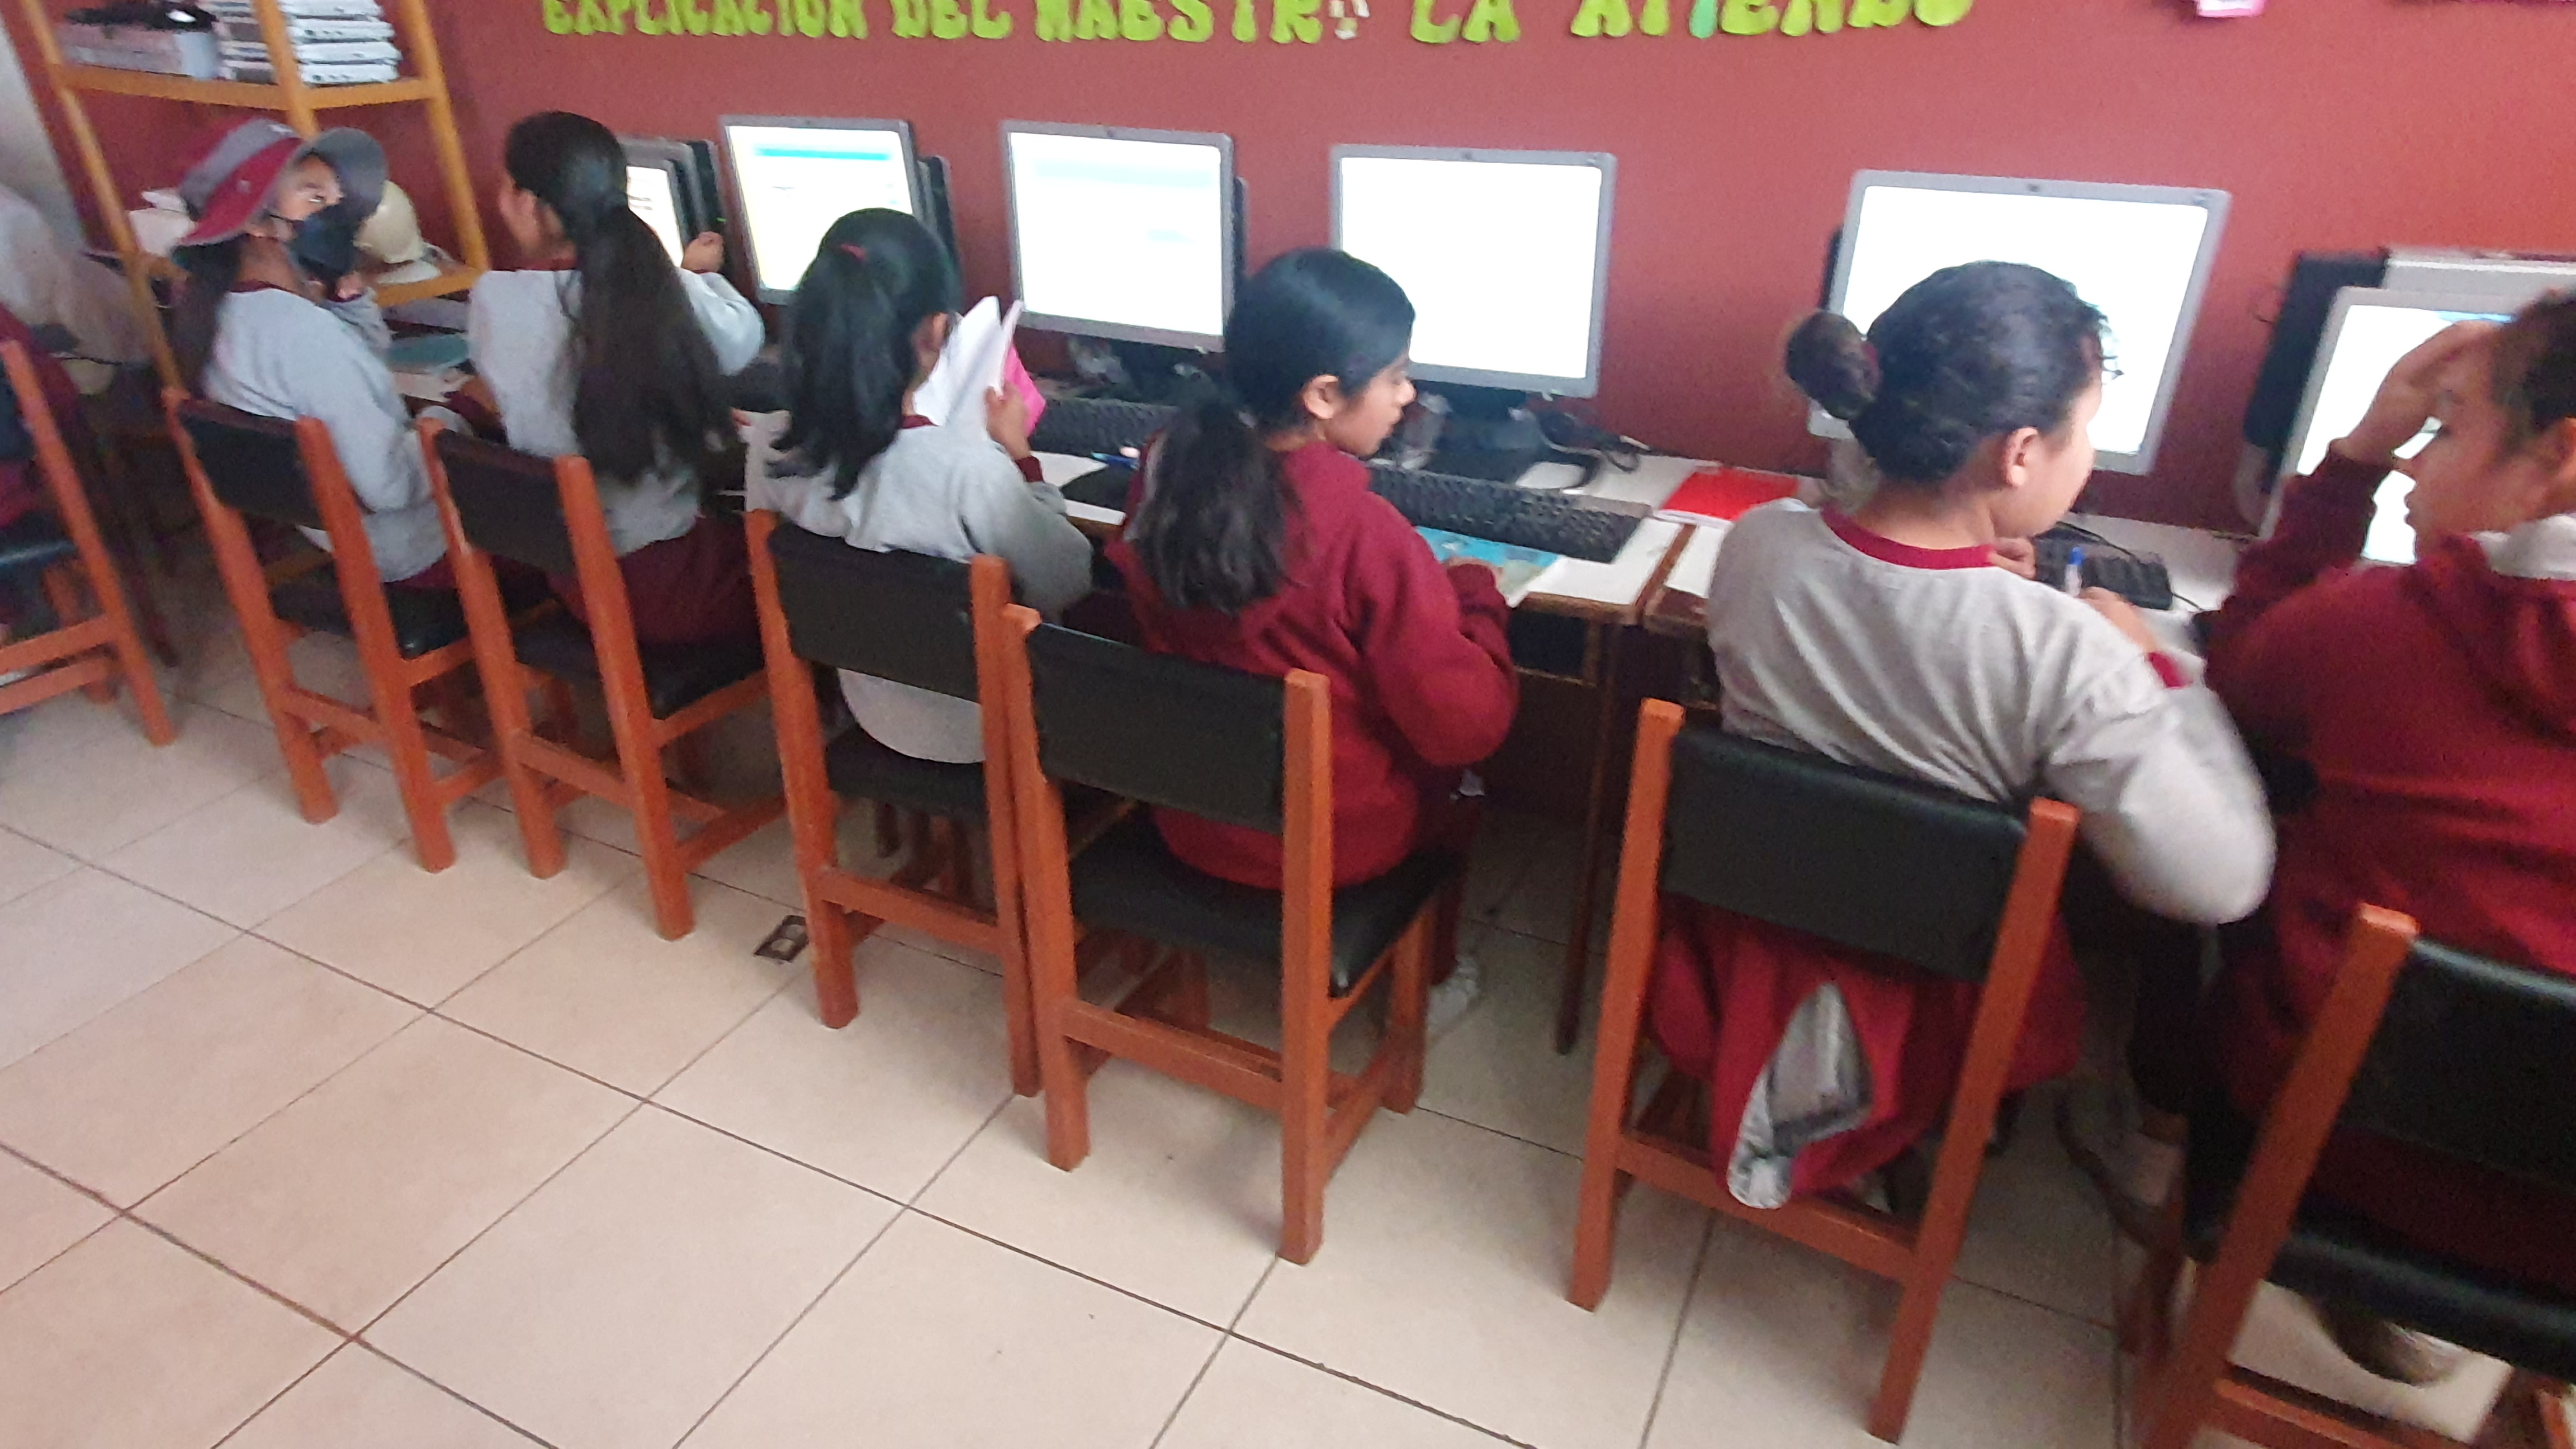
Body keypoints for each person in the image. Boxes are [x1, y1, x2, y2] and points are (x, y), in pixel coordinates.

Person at [1663, 261, 2272, 1211]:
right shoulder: (2066, 650)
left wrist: (1977, 574)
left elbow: (1878, 591)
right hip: (1933, 989)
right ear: (2020, 453)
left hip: (1745, 942)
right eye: (2086, 428)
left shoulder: (1757, 544)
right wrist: (2153, 663)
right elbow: (2218, 884)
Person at [2199, 300, 2576, 1355]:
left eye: (2444, 430)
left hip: (2339, 1150)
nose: (2416, 462)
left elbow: (2237, 677)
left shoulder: (2382, 623)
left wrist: (2354, 462)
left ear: (2557, 458)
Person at [1106, 248, 1517, 1029]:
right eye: (1396, 377)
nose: (1408, 396)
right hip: (1335, 843)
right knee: (1462, 779)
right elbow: (1466, 728)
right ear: (1324, 395)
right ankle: (1429, 985)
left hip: (1189, 810)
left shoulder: (1164, 465)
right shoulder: (1366, 533)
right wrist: (1476, 598)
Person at [744, 208, 1091, 763]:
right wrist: (1021, 459)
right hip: (993, 730)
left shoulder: (770, 444)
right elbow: (1068, 577)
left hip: (874, 709)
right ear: (936, 332)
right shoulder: (966, 470)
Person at [470, 110, 762, 647]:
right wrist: (696, 279)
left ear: (531, 206)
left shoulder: (492, 301)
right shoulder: (655, 293)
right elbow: (742, 340)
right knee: (807, 557)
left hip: (576, 581)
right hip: (672, 587)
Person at [170, 119, 453, 588]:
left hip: (342, 543)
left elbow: (360, 369)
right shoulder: (299, 331)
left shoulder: (218, 313)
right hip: (418, 549)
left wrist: (350, 306)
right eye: (315, 198)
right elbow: (393, 486)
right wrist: (450, 420)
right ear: (257, 222)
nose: (338, 211)